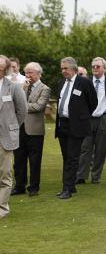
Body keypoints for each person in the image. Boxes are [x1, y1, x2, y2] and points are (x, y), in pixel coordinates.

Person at [76, 57, 106, 184]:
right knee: (85, 148)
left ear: (104, 68)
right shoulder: (85, 82)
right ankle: (81, 176)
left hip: (104, 119)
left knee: (100, 149)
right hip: (88, 119)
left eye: (98, 66)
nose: (95, 68)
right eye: (93, 66)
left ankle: (96, 176)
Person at [55, 57, 98, 199]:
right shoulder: (61, 83)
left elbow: (93, 102)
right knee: (66, 156)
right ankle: (70, 186)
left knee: (72, 158)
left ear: (73, 68)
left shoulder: (84, 82)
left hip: (76, 125)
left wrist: (82, 116)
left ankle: (67, 189)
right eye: (62, 68)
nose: (63, 71)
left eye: (65, 68)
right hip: (62, 124)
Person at [12, 62, 50, 197]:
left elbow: (39, 107)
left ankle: (34, 187)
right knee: (18, 159)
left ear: (38, 73)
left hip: (35, 130)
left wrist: (21, 105)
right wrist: (22, 89)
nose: (27, 75)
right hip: (19, 128)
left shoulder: (44, 89)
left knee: (34, 160)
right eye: (26, 72)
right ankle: (19, 186)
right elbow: (14, 101)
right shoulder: (22, 87)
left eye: (30, 73)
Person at [0, 55, 27, 218]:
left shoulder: (14, 87)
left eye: (1, 67)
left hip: (5, 138)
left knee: (4, 174)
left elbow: (22, 111)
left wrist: (12, 127)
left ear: (6, 69)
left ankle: (2, 208)